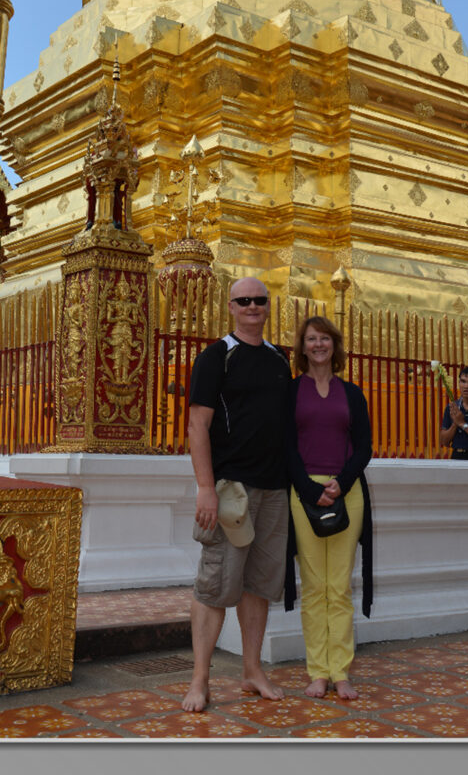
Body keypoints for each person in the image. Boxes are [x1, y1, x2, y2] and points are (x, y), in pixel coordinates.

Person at [181, 276, 292, 712]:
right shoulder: (216, 357)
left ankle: (251, 670)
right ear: (230, 306)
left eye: (259, 301)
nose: (252, 307)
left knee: (259, 585)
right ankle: (200, 679)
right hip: (231, 489)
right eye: (243, 301)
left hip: (274, 489)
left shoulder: (279, 360)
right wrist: (205, 488)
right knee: (216, 583)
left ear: (268, 306)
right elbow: (197, 426)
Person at [284, 316, 373, 701]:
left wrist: (342, 481)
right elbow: (284, 446)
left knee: (339, 586)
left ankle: (341, 672)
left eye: (325, 339)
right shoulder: (289, 392)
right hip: (304, 492)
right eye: (311, 339)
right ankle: (317, 671)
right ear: (302, 348)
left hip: (345, 492)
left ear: (334, 347)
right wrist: (308, 488)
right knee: (314, 586)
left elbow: (364, 446)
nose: (318, 345)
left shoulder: (352, 393)